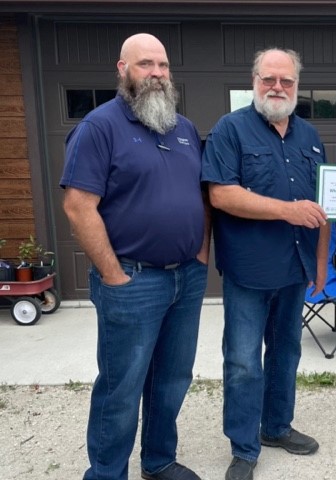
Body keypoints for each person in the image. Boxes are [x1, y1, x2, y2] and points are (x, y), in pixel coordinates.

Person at [60, 33, 210, 480]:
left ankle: (158, 461)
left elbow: (201, 198)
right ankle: (107, 473)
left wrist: (200, 254)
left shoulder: (183, 129)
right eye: (146, 65)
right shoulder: (98, 127)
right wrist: (112, 273)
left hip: (186, 278)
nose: (157, 74)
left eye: (163, 66)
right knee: (121, 387)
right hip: (132, 279)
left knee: (171, 379)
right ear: (122, 69)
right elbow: (77, 205)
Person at [201, 48, 330, 480]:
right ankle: (243, 446)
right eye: (269, 79)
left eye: (287, 81)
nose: (278, 87)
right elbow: (220, 194)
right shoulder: (230, 130)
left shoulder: (310, 135)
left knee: (286, 353)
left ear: (297, 85)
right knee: (242, 360)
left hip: (295, 269)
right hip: (249, 271)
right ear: (254, 80)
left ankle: (276, 427)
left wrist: (321, 262)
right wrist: (286, 210)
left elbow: (324, 204)